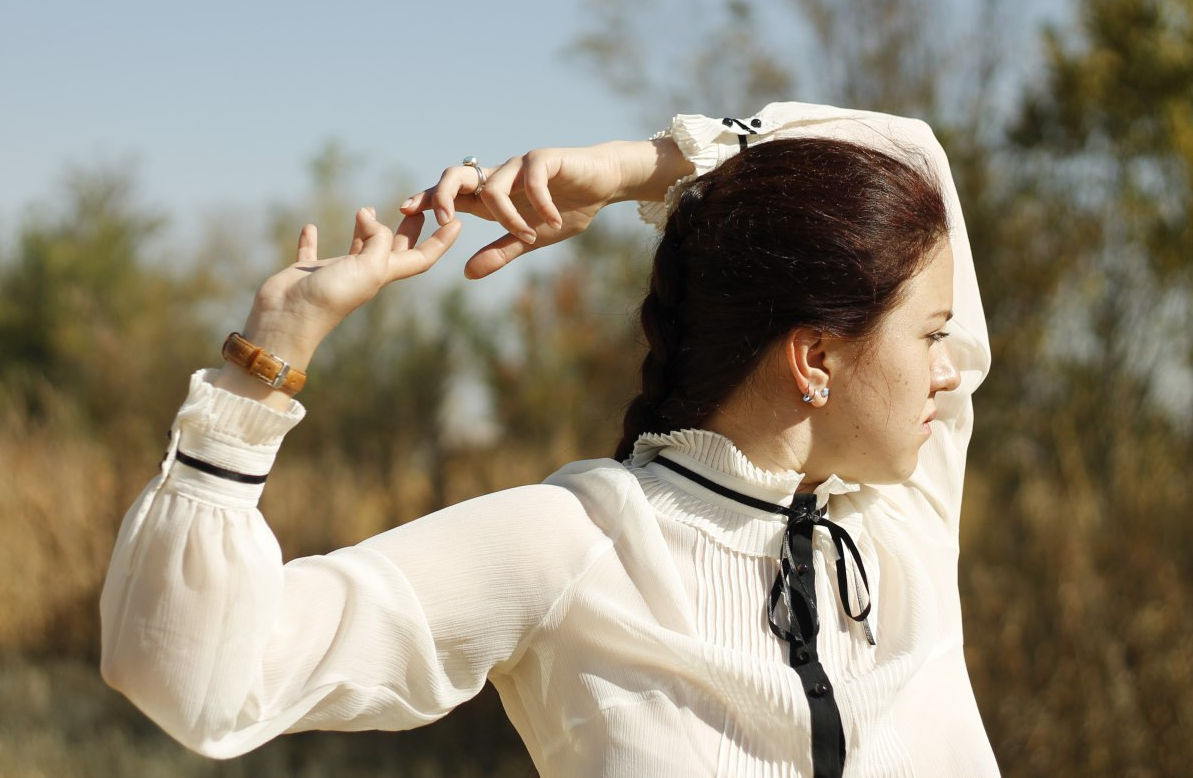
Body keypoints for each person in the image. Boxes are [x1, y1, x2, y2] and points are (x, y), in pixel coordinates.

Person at [100, 101, 1000, 776]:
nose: (950, 369)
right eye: (931, 335)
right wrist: (263, 363)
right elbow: (202, 678)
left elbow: (908, 150)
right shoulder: (576, 541)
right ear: (815, 356)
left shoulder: (902, 517)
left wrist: (631, 170)